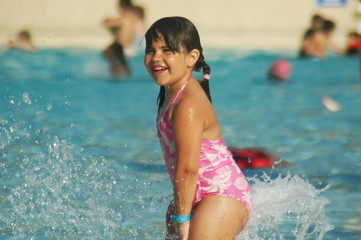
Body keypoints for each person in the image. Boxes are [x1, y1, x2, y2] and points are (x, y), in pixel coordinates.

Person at [144, 17, 252, 240]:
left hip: (221, 194)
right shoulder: (171, 94)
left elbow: (188, 170)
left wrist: (182, 220)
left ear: (191, 57)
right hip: (193, 194)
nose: (156, 58)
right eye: (150, 50)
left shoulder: (188, 104)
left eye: (167, 50)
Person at [102, 0, 145, 78]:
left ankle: (119, 73)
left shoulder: (125, 19)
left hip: (122, 48)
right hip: (128, 48)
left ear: (122, 8)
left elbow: (107, 23)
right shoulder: (134, 19)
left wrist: (108, 20)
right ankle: (122, 71)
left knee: (110, 53)